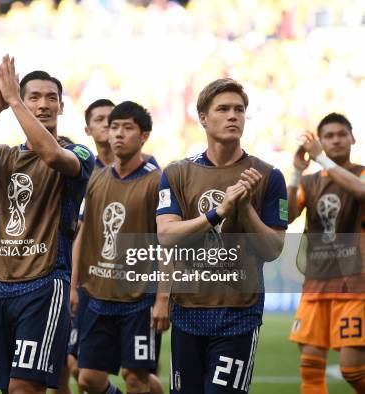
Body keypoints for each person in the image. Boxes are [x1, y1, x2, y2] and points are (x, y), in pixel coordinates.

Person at [0, 55, 94, 393]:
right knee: (8, 388)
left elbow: (51, 156)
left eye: (51, 98)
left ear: (62, 106)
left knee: (24, 387)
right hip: (2, 284)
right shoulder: (5, 155)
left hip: (45, 282)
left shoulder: (79, 153)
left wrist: (16, 102)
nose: (43, 104)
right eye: (34, 96)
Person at [156, 78, 287, 393]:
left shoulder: (269, 175)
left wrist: (244, 208)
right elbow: (167, 235)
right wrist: (218, 212)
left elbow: (273, 249)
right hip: (188, 309)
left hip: (239, 313)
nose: (233, 116)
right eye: (224, 109)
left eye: (239, 110)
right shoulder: (176, 173)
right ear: (203, 117)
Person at [61, 99, 164, 394]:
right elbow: (84, 233)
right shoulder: (97, 178)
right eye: (114, 127)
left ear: (143, 136)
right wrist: (74, 285)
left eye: (127, 128)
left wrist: (162, 298)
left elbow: (168, 242)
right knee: (87, 379)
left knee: (136, 378)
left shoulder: (158, 180)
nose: (117, 133)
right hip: (98, 297)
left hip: (139, 299)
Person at [287, 113, 365, 393]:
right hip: (316, 284)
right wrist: (296, 172)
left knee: (353, 370)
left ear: (353, 138)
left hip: (355, 285)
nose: (335, 140)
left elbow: (361, 192)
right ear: (321, 141)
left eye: (341, 134)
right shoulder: (309, 183)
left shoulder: (361, 173)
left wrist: (322, 159)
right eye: (328, 136)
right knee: (310, 371)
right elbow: (286, 215)